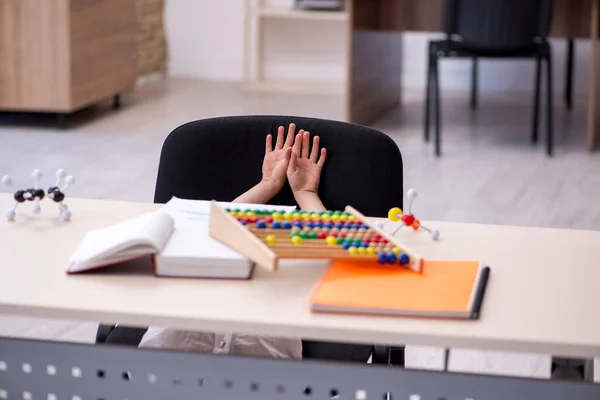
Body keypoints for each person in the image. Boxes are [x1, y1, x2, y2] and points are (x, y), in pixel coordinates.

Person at [138, 123, 327, 360]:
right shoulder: (197, 275)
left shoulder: (278, 295)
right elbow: (213, 229)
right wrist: (267, 185)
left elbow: (331, 254)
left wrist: (306, 194)